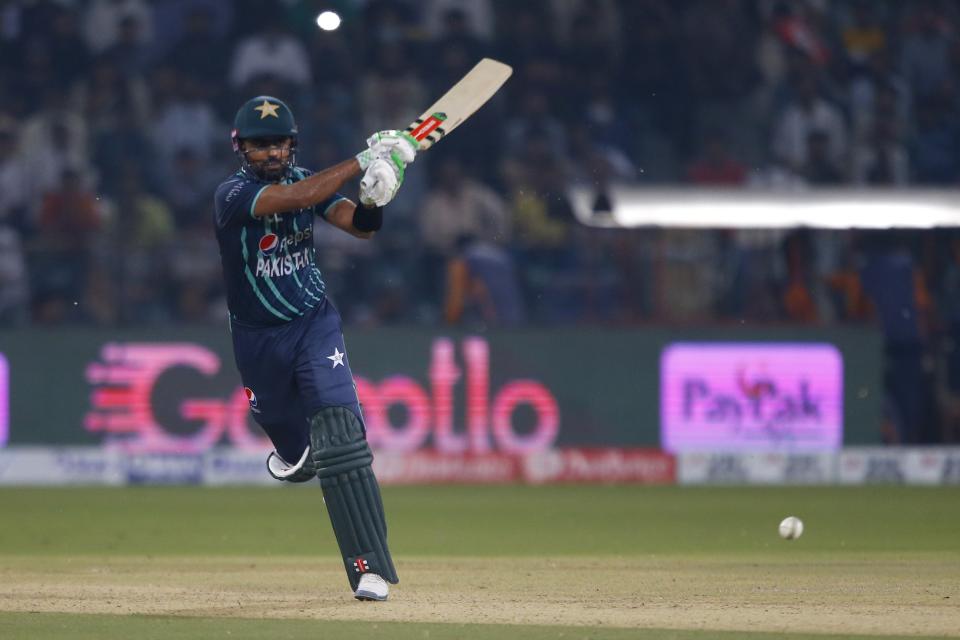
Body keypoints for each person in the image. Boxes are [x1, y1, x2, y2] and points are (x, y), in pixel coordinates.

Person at [213, 95, 417, 601]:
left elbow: (360, 229)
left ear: (291, 144)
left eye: (278, 143)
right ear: (240, 148)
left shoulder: (306, 178)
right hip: (258, 341)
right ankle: (293, 454)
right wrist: (361, 160)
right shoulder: (232, 194)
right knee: (295, 449)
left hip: (312, 324)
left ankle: (368, 568)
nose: (270, 153)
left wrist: (374, 196)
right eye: (259, 145)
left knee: (343, 438)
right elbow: (297, 198)